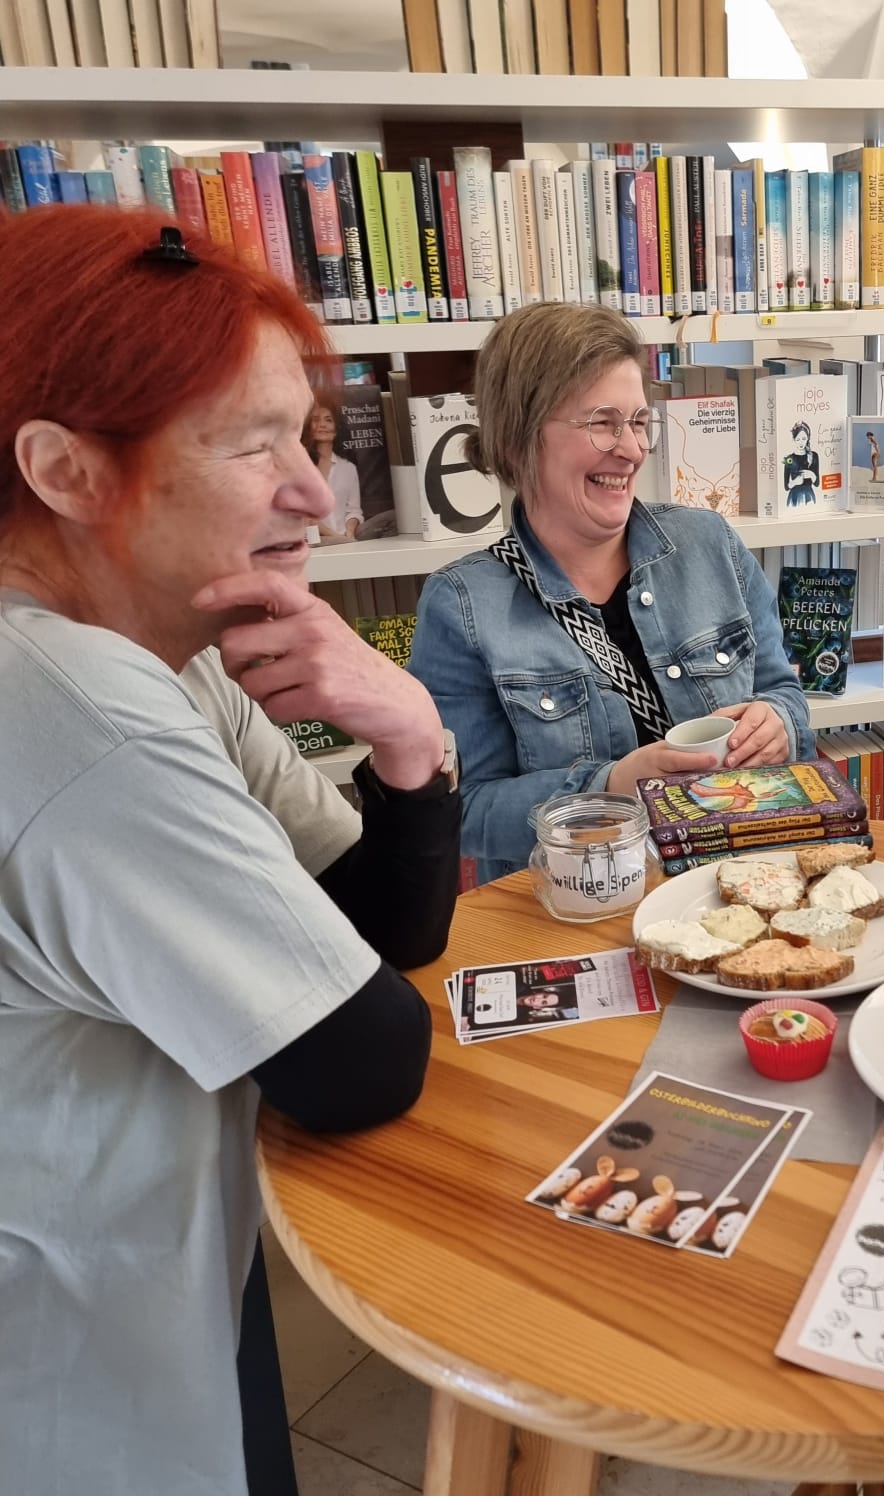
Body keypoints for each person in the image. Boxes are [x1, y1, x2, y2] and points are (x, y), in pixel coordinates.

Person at [0, 208, 461, 1496]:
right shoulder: (74, 704)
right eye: (254, 443)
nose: (317, 492)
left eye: (307, 437)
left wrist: (408, 737)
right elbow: (358, 1058)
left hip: (162, 1241)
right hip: (74, 1330)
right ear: (66, 469)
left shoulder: (167, 649)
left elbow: (374, 927)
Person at [408, 301, 814, 882]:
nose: (632, 449)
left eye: (640, 421)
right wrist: (610, 790)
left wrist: (778, 724)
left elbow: (784, 693)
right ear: (521, 438)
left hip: (738, 883)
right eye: (603, 423)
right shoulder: (463, 606)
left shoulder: (711, 544)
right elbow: (465, 810)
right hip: (581, 907)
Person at [303, 399, 363, 540]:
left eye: (328, 420)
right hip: (313, 539)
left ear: (336, 430)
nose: (322, 424)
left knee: (388, 519)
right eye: (316, 420)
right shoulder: (300, 466)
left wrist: (350, 532)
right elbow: (306, 517)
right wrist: (337, 538)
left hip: (345, 536)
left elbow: (354, 511)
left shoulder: (348, 468)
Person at [783, 419, 821, 507]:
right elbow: (786, 487)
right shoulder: (789, 459)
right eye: (798, 439)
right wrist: (795, 482)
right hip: (794, 497)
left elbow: (817, 483)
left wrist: (812, 475)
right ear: (794, 440)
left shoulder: (814, 456)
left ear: (808, 438)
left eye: (804, 439)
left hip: (809, 496)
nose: (801, 442)